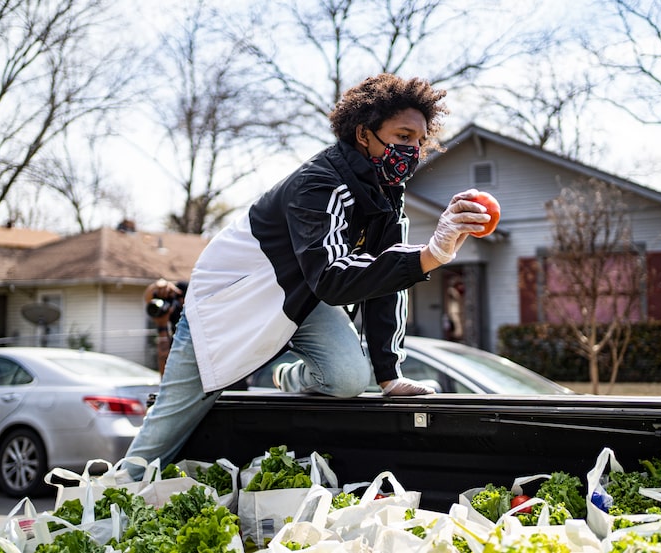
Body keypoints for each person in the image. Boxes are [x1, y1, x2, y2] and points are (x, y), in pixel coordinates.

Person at [125, 73, 491, 473]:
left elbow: (385, 283)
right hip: (231, 298)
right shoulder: (321, 183)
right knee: (163, 436)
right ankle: (110, 502)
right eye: (403, 136)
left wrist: (388, 375)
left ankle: (290, 375)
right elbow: (334, 279)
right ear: (364, 133)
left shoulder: (387, 195)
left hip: (301, 296)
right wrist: (429, 255)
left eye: (419, 142)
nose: (412, 150)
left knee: (351, 378)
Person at [143, 279, 187, 376]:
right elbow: (148, 299)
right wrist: (157, 286)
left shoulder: (192, 320)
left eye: (181, 298)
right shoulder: (171, 311)